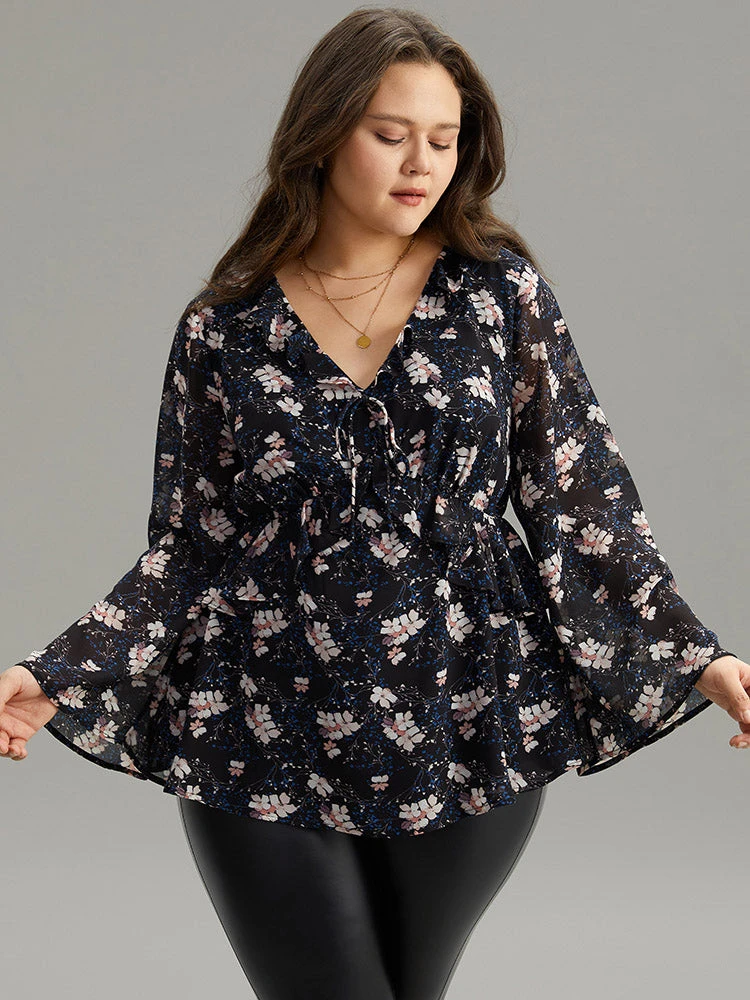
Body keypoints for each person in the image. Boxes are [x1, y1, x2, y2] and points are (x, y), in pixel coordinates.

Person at [2, 7, 748, 999]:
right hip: (259, 720)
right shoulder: (226, 326)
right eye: (391, 134)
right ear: (323, 135)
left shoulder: (500, 296)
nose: (421, 163)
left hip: (467, 718)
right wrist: (60, 670)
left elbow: (581, 502)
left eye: (444, 139)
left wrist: (697, 653)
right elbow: (191, 544)